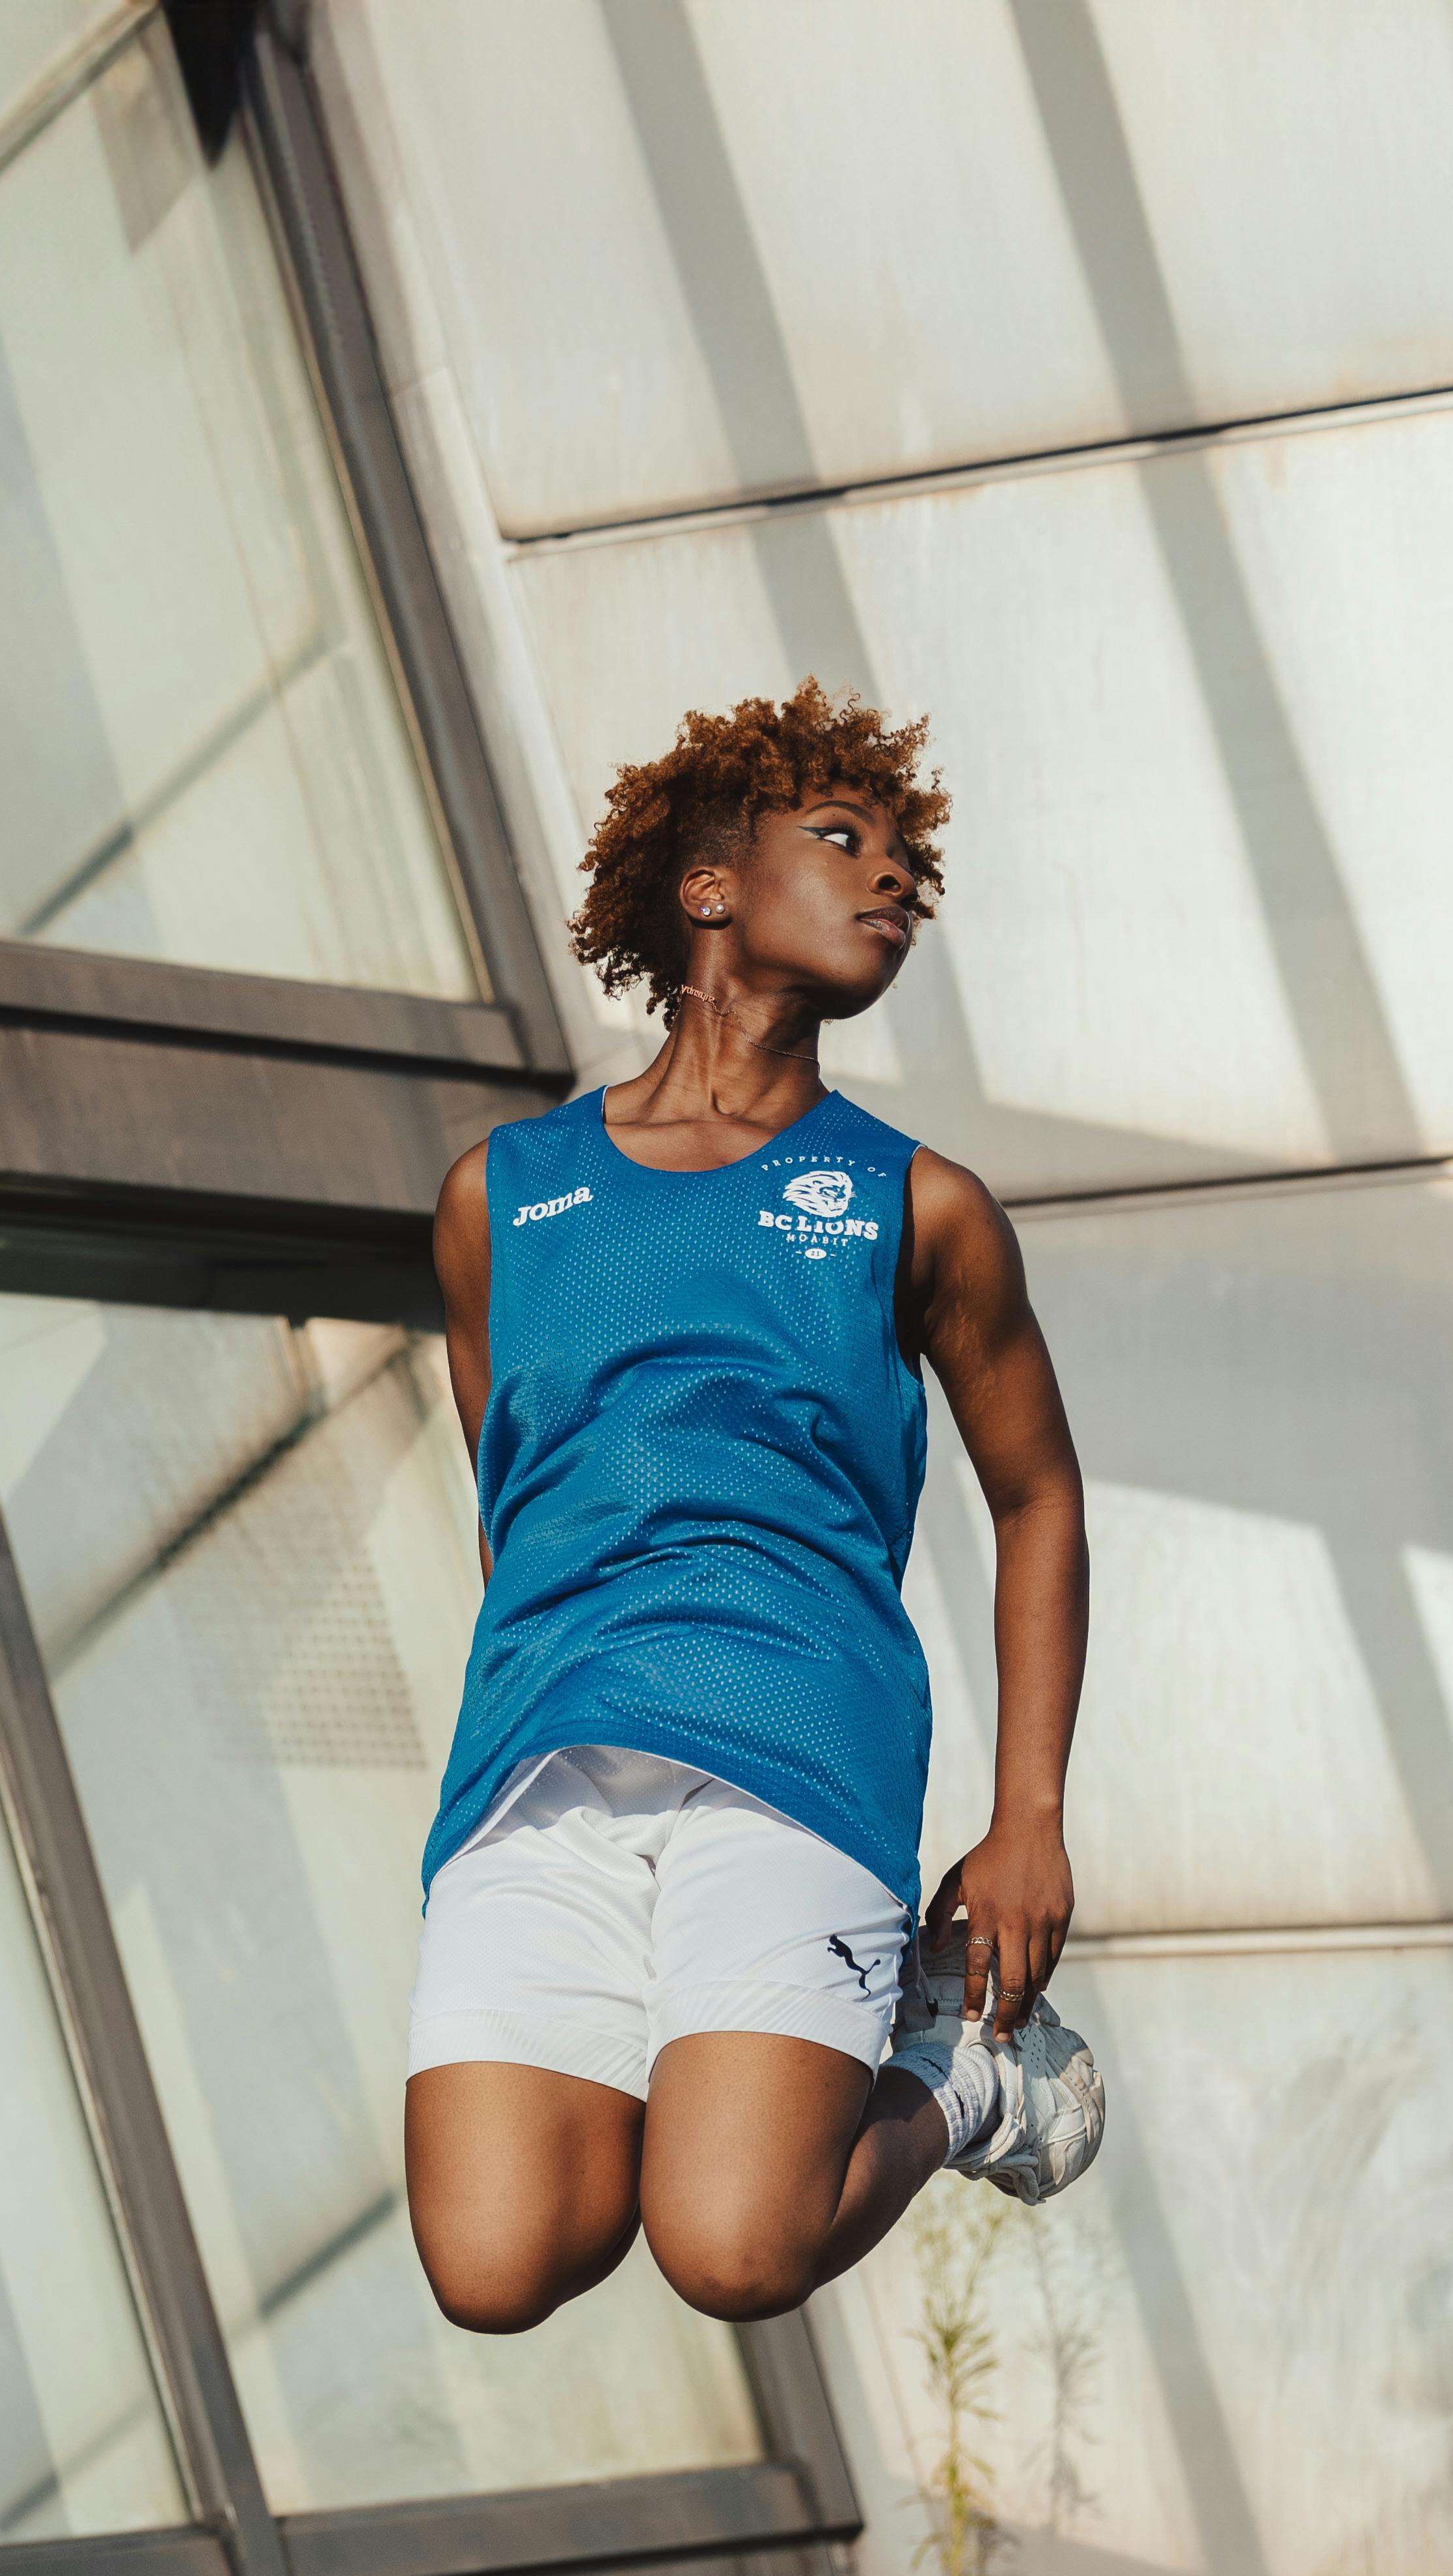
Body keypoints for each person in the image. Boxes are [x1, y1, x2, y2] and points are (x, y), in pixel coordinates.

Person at [404, 679, 1100, 2336]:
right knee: (497, 2266)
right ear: (709, 888)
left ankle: (964, 2085)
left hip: (796, 1748)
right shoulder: (499, 1200)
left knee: (731, 2250)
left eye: (905, 867)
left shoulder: (916, 1205)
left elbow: (1039, 1497)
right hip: (538, 1771)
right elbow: (520, 1506)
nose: (893, 884)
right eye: (844, 843)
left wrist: (1027, 1820)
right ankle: (716, 2058)